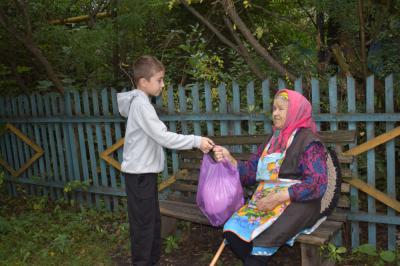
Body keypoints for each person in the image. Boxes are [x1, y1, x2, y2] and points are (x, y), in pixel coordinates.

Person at [117, 55, 214, 266]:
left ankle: (150, 261)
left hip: (143, 174)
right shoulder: (142, 106)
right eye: (159, 80)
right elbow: (163, 136)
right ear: (143, 82)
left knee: (151, 222)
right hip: (139, 175)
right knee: (144, 225)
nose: (162, 84)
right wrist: (196, 140)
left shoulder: (142, 103)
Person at [213, 89, 328, 266]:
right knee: (231, 231)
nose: (274, 113)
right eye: (273, 108)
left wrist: (280, 196)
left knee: (262, 242)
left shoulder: (309, 142)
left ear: (295, 111)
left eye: (280, 109)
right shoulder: (272, 140)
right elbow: (251, 173)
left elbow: (317, 184)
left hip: (299, 203)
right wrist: (230, 159)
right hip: (267, 198)